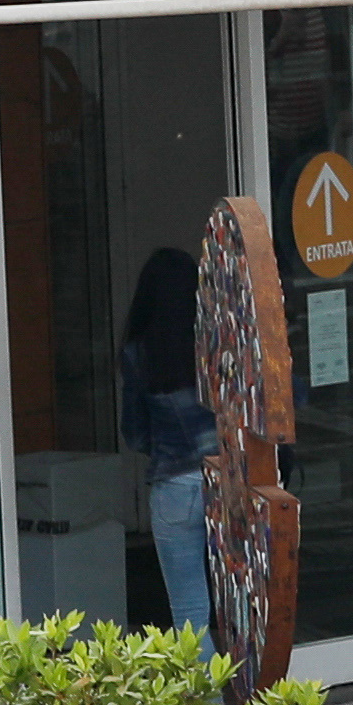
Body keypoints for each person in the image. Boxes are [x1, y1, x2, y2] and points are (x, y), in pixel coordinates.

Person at [120, 244, 217, 635]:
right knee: (240, 604)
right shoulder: (217, 345)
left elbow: (135, 433)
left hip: (175, 486)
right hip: (228, 479)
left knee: (190, 609)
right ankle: (251, 690)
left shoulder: (139, 353)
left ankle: (209, 699)